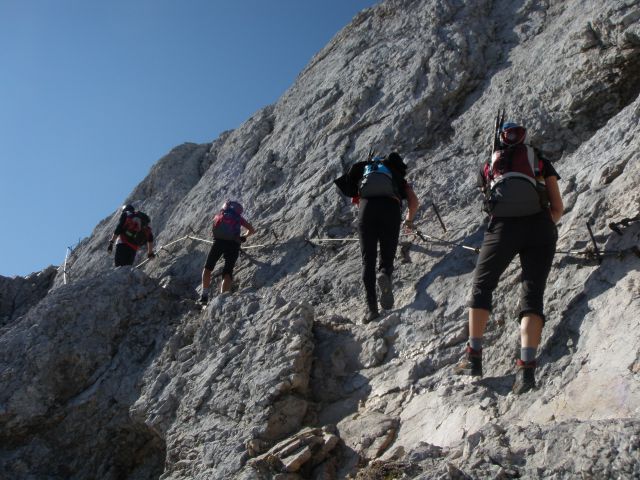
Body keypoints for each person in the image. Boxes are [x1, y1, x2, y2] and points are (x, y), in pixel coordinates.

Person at [454, 121, 564, 394]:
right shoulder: (540, 161)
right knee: (532, 294)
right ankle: (526, 370)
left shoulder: (490, 164)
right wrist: (542, 226)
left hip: (502, 228)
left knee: (482, 285)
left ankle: (473, 356)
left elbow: (489, 202)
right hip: (540, 227)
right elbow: (558, 207)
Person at [336, 152, 419, 323]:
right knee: (387, 256)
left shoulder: (364, 172)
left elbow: (356, 200)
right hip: (391, 208)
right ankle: (384, 273)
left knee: (368, 260)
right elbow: (413, 201)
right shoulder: (395, 175)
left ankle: (372, 310)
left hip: (367, 209)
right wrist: (409, 221)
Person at [199, 200, 256, 305]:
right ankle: (222, 299)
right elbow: (252, 230)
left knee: (208, 268)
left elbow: (214, 229)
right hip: (233, 244)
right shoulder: (238, 218)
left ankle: (204, 296)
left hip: (218, 242)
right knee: (227, 272)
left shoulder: (219, 215)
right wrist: (243, 237)